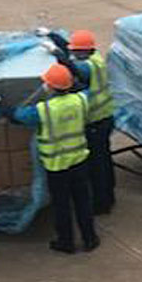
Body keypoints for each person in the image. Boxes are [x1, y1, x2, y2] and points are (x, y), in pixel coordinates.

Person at [0, 64, 99, 254]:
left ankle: (66, 242)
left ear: (51, 87)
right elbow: (86, 87)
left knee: (62, 205)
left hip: (57, 165)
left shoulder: (43, 110)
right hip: (79, 160)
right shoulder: (81, 100)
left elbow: (17, 116)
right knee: (83, 201)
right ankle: (90, 238)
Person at [37, 28, 116, 215]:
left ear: (84, 51)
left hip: (96, 121)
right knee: (104, 161)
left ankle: (101, 203)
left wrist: (56, 53)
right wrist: (52, 35)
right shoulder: (93, 56)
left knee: (97, 166)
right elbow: (71, 50)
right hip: (104, 118)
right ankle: (107, 196)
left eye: (75, 51)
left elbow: (74, 69)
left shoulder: (88, 66)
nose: (72, 53)